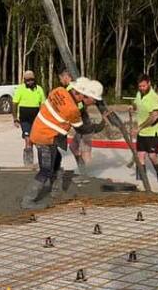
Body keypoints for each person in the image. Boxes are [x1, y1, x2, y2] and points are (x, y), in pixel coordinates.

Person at [24, 77, 103, 206]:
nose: (93, 102)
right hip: (45, 137)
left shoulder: (59, 91)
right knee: (45, 170)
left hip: (40, 130)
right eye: (92, 99)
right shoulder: (72, 109)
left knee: (56, 161)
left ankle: (56, 192)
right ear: (82, 94)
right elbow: (82, 129)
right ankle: (28, 200)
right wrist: (101, 125)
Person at [131, 74, 158, 183]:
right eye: (140, 86)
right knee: (140, 155)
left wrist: (139, 128)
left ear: (149, 83)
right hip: (141, 132)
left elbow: (154, 116)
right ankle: (142, 180)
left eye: (144, 86)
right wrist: (132, 107)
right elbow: (136, 103)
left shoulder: (152, 96)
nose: (142, 88)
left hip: (152, 132)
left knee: (152, 156)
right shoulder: (139, 93)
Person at [13, 69, 45, 166]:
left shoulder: (39, 89)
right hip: (25, 119)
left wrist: (44, 119)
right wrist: (15, 118)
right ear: (24, 80)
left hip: (36, 119)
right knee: (28, 140)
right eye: (27, 80)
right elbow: (14, 103)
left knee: (38, 142)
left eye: (31, 80)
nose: (30, 82)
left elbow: (43, 105)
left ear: (34, 79)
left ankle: (43, 163)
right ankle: (28, 164)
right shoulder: (20, 89)